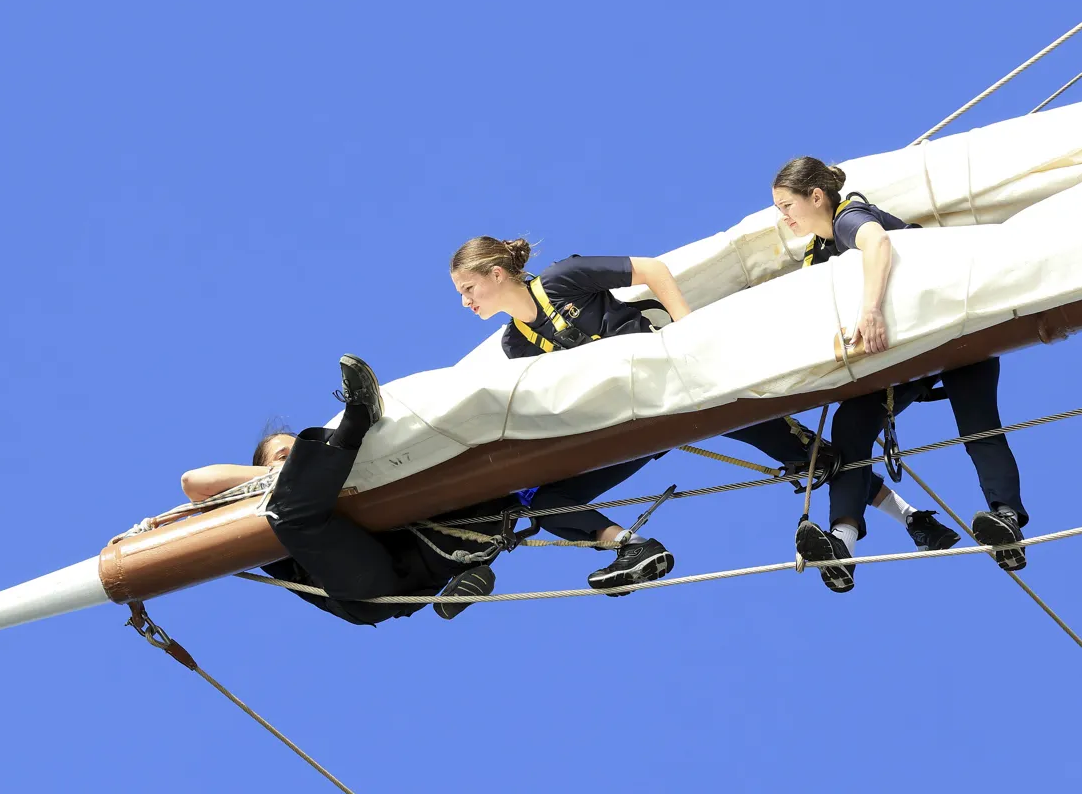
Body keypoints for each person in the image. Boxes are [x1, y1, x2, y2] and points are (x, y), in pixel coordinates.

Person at [448, 237, 954, 572]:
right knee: (537, 499)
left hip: (678, 385)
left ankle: (911, 518)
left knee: (810, 455)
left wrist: (689, 332)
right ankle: (630, 547)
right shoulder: (516, 347)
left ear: (497, 274)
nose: (466, 302)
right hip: (627, 424)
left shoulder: (564, 278)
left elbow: (651, 270)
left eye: (468, 288)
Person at [178, 355, 672, 624]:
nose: (296, 457)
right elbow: (194, 482)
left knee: (523, 491)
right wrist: (295, 467)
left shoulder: (350, 478)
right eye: (284, 453)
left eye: (301, 450)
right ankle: (355, 422)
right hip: (365, 588)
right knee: (292, 513)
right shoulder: (258, 500)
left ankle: (628, 546)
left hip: (428, 553)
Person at [772, 157, 1029, 593]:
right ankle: (842, 543)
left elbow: (877, 245)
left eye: (786, 205)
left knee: (977, 424)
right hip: (905, 359)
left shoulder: (849, 217)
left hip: (953, 332)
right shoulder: (816, 257)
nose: (783, 217)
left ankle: (1006, 519)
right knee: (851, 426)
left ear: (816, 197)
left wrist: (870, 312)